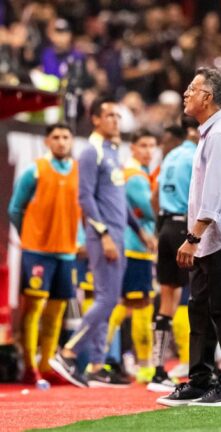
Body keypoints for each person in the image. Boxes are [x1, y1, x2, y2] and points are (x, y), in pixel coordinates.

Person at [157, 67, 221, 407]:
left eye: (192, 88)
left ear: (208, 96)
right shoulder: (210, 133)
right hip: (210, 239)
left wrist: (193, 236)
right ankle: (200, 380)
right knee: (199, 309)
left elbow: (215, 193)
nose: (186, 94)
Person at [50, 96, 154, 388]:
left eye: (118, 116)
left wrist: (139, 230)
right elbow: (85, 197)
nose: (115, 120)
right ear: (95, 119)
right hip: (104, 237)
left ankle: (96, 365)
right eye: (109, 115)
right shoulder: (90, 152)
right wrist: (104, 235)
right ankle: (68, 352)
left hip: (120, 235)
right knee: (107, 299)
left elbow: (118, 199)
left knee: (107, 300)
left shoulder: (111, 151)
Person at [8, 124, 80, 387]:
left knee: (56, 312)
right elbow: (15, 208)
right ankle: (29, 367)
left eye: (65, 137)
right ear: (47, 141)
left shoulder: (78, 172)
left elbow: (80, 210)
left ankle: (46, 363)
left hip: (66, 252)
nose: (61, 142)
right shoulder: (34, 170)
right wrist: (30, 236)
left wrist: (78, 239)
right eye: (56, 137)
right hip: (37, 251)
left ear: (71, 141)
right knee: (34, 309)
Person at [149, 118, 199, 393]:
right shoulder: (196, 156)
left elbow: (154, 197)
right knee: (195, 295)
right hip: (185, 227)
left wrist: (160, 226)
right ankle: (199, 365)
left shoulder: (169, 157)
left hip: (166, 225)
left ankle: (158, 371)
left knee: (166, 298)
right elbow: (200, 195)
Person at [105, 129, 158, 384]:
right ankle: (144, 365)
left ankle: (98, 357)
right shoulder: (135, 176)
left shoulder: (137, 173)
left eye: (152, 145)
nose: (149, 150)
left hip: (135, 247)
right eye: (143, 145)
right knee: (139, 305)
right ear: (133, 149)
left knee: (130, 304)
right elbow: (152, 210)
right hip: (135, 247)